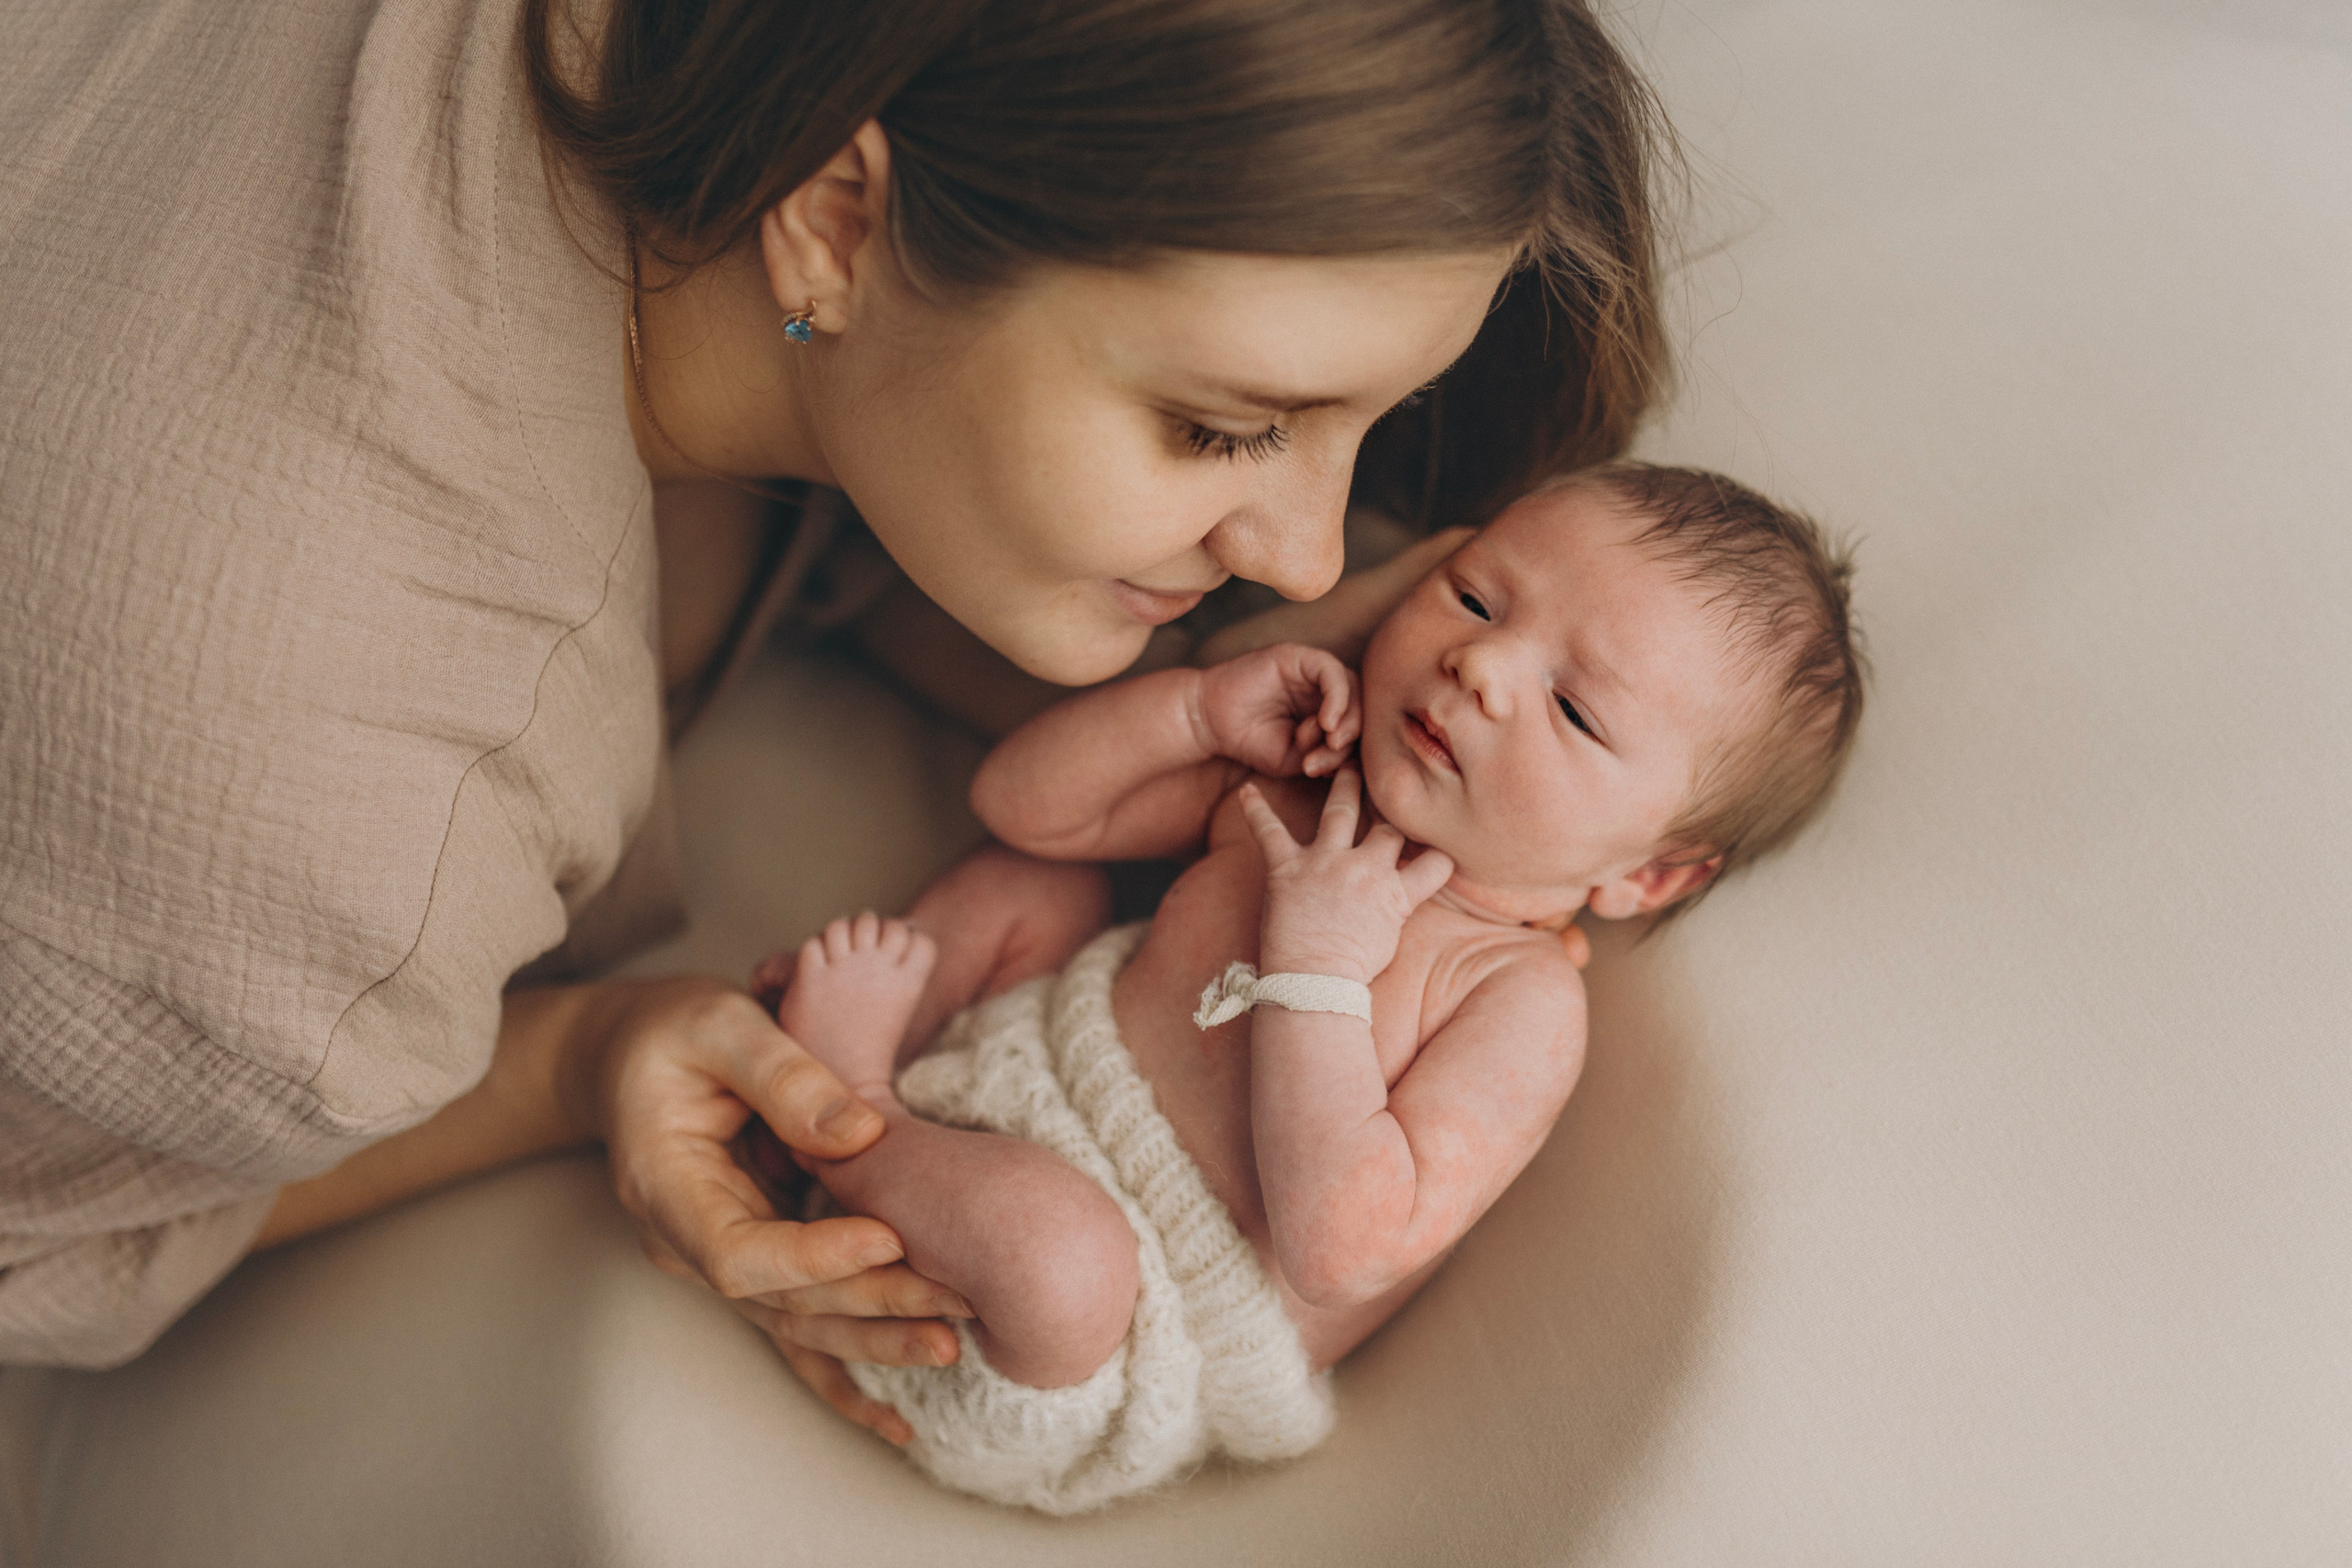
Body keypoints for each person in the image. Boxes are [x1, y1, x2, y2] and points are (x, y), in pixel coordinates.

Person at [0, 0, 1671, 1441]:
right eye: (1221, 427)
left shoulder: (783, 229)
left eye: (1365, 431)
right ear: (839, 223)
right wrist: (577, 1059)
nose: (1316, 551)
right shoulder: (335, 816)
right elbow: (37, 1241)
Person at [749, 465, 1864, 1510]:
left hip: (1099, 1336)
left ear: (1646, 874)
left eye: (1574, 710)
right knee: (1032, 879)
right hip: (1002, 1091)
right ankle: (810, 1116)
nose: (1481, 665)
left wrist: (1318, 966)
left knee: (1062, 1255)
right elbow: (1023, 801)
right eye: (1472, 598)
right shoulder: (1301, 787)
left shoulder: (1514, 994)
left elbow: (1340, 1250)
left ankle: (844, 1104)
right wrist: (1193, 712)